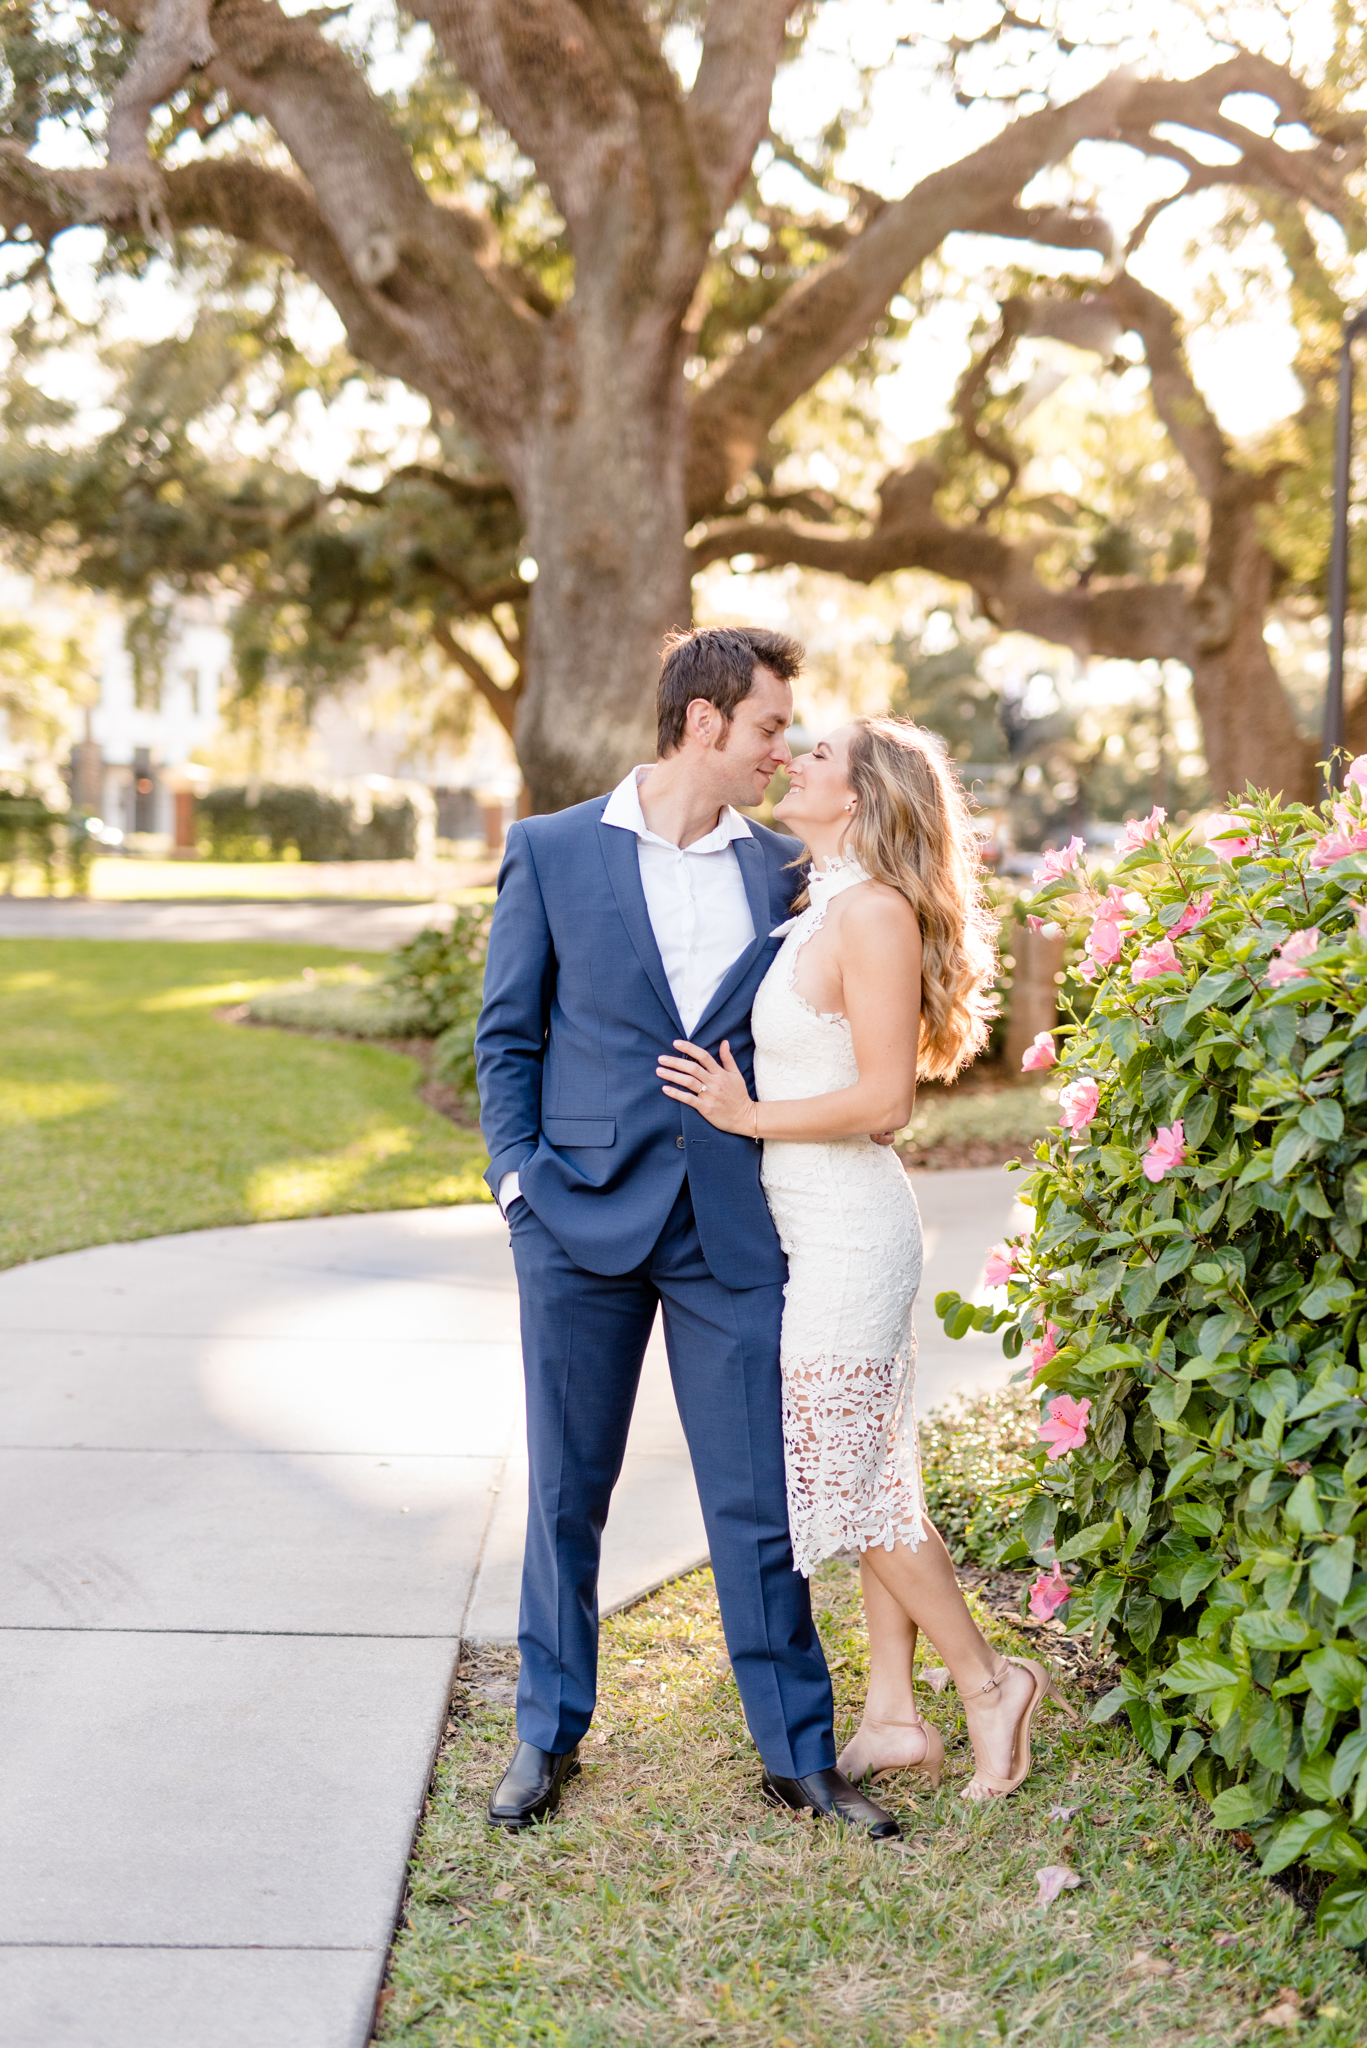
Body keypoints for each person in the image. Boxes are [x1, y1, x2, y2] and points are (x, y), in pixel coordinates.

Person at [474, 626, 899, 1837]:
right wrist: (518, 1188)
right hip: (574, 1219)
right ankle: (546, 1734)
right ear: (703, 721)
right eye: (769, 726)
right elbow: (506, 1035)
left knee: (753, 1495)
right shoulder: (549, 851)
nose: (782, 750)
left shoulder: (783, 872)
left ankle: (797, 1754)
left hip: (728, 1223)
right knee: (567, 1489)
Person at [658, 717, 1077, 1799]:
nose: (790, 762)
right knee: (875, 1471)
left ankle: (988, 1682)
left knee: (839, 1480)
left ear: (860, 796)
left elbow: (886, 1099)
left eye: (814, 757)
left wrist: (746, 1115)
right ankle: (892, 1715)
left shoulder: (875, 913)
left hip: (850, 1232)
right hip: (810, 1226)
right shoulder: (824, 908)